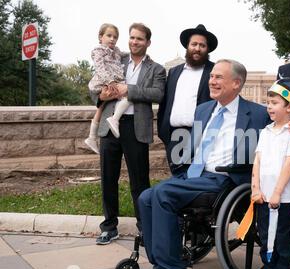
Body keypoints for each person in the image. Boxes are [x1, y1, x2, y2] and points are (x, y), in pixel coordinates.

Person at [135, 59, 270, 269]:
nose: (212, 81)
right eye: (212, 76)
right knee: (146, 196)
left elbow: (285, 126)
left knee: (163, 194)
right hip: (194, 175)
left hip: (225, 179)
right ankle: (161, 264)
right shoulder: (204, 109)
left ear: (236, 84)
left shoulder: (258, 114)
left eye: (219, 77)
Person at [90, 23, 166, 245]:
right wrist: (101, 96)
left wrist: (128, 90)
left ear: (147, 42)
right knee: (108, 178)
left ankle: (144, 227)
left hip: (136, 127)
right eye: (132, 38)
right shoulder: (115, 59)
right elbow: (95, 86)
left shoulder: (157, 69)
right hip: (109, 126)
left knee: (139, 181)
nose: (134, 42)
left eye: (139, 39)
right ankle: (109, 226)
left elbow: (158, 94)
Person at [251, 79, 290, 269]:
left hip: (285, 199)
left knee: (285, 242)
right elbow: (258, 160)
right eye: (268, 102)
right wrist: (256, 188)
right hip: (264, 198)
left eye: (274, 103)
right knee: (266, 239)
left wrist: (278, 192)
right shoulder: (265, 132)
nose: (269, 107)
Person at [157, 24, 217, 175]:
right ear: (187, 46)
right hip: (175, 136)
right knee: (177, 177)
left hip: (202, 135)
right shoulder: (174, 72)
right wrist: (164, 132)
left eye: (202, 45)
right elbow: (165, 103)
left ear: (207, 49)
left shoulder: (215, 71)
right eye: (194, 44)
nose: (197, 48)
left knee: (198, 177)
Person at [85, 23, 130, 154]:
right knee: (128, 95)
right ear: (100, 37)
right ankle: (114, 119)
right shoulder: (98, 51)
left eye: (115, 37)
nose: (112, 39)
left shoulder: (116, 51)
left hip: (112, 81)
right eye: (109, 36)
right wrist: (109, 81)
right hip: (104, 81)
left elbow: (125, 54)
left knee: (101, 107)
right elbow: (99, 68)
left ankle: (91, 137)